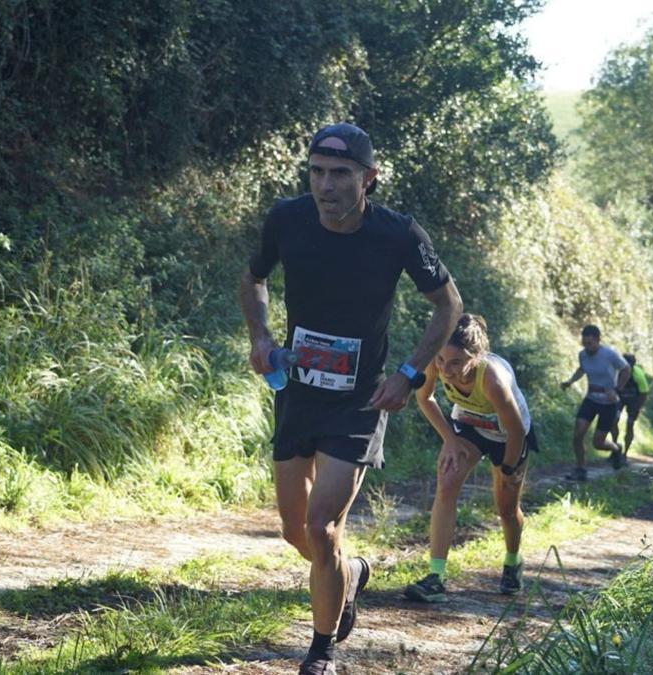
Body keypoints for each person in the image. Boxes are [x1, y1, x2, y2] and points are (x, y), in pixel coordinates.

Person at [239, 122, 463, 675]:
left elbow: (448, 305)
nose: (326, 185)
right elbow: (253, 280)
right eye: (317, 171)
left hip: (359, 401)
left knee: (322, 526)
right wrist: (261, 337)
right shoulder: (286, 220)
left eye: (340, 173)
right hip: (297, 391)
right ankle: (351, 574)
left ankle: (321, 651)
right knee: (296, 531)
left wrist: (410, 374)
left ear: (369, 178)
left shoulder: (399, 235)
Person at [404, 314, 538, 604]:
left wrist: (509, 468)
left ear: (475, 357)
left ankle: (513, 561)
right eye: (441, 361)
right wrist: (450, 440)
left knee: (505, 507)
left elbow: (514, 429)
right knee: (447, 482)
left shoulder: (492, 379)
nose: (446, 370)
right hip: (468, 426)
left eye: (455, 363)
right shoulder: (438, 362)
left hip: (508, 436)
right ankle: (435, 578)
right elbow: (424, 399)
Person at [560, 325, 630, 481]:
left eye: (590, 343)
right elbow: (582, 369)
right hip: (591, 400)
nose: (587, 347)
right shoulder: (583, 355)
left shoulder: (610, 354)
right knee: (578, 435)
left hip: (608, 404)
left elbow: (626, 369)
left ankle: (616, 448)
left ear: (598, 340)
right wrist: (570, 381)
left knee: (598, 443)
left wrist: (618, 389)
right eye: (584, 344)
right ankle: (580, 469)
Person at [616, 353, 650, 456]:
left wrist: (638, 407)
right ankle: (615, 448)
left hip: (634, 400)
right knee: (613, 420)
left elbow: (644, 393)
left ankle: (625, 453)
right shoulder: (616, 372)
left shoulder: (638, 375)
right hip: (619, 398)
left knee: (630, 424)